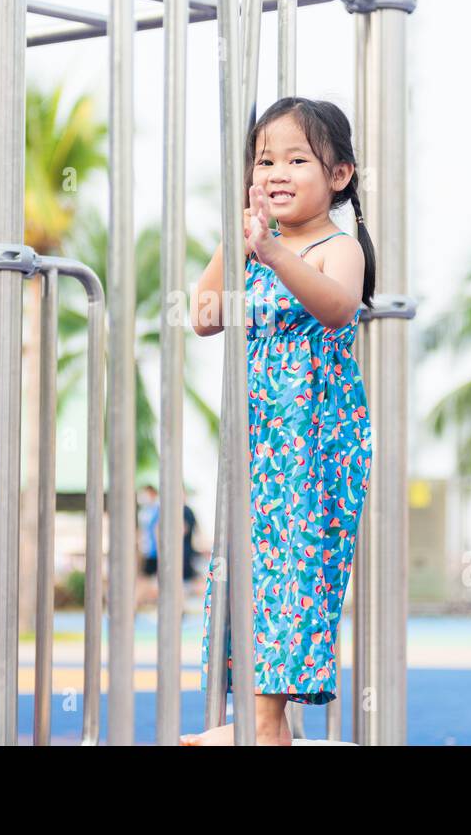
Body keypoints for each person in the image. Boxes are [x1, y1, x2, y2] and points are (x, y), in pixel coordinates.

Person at [183, 98, 375, 746]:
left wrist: (271, 252)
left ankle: (263, 725)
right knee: (246, 574)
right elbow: (204, 313)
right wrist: (237, 240)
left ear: (340, 175)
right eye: (265, 161)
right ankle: (256, 722)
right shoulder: (252, 246)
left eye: (297, 159)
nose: (276, 172)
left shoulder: (333, 247)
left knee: (293, 579)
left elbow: (337, 307)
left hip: (315, 446)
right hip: (261, 446)